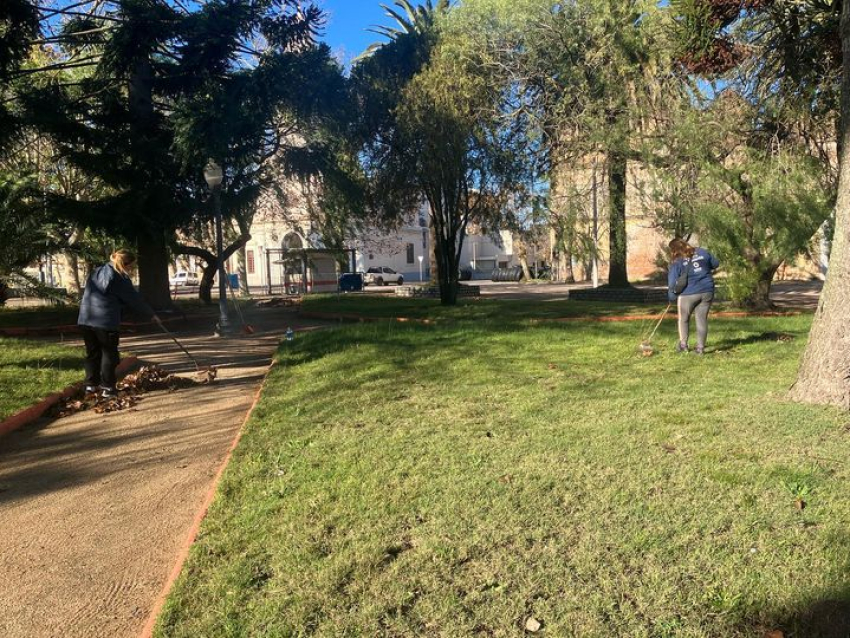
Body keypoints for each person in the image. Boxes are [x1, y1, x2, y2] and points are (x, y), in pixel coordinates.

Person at [77, 249, 161, 398]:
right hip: (105, 321)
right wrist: (151, 314)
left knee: (92, 353)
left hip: (86, 319)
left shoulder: (96, 271)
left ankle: (90, 385)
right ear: (126, 264)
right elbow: (134, 299)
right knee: (109, 354)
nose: (132, 269)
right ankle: (108, 388)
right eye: (132, 266)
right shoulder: (120, 277)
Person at [667, 238, 719, 355]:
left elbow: (671, 284)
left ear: (674, 249)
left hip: (688, 293)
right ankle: (700, 349)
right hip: (707, 290)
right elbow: (715, 264)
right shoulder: (702, 251)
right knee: (701, 319)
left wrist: (672, 296)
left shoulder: (677, 261)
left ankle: (683, 345)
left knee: (683, 319)